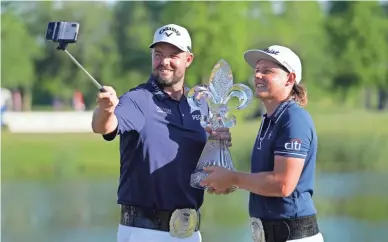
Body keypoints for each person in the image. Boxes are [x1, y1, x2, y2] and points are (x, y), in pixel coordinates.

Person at [91, 24, 232, 242]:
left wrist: (218, 148)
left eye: (173, 55)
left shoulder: (200, 103)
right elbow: (104, 127)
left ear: (188, 59)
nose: (164, 61)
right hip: (145, 232)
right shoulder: (139, 99)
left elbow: (202, 164)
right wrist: (105, 110)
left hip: (191, 232)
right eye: (159, 54)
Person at [200, 45, 324, 242]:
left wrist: (234, 178)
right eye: (257, 70)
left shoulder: (294, 118)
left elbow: (282, 185)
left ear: (290, 79)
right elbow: (262, 179)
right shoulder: (270, 119)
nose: (257, 76)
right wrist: (227, 179)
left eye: (267, 71)